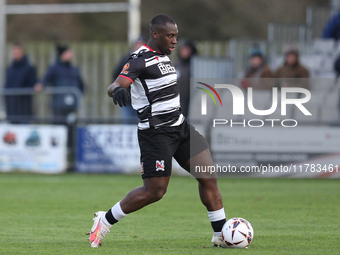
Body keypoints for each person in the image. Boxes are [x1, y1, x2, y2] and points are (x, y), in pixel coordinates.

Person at [87, 14, 227, 248]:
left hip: (181, 127)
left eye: (176, 36)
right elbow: (116, 84)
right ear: (155, 34)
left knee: (208, 176)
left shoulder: (164, 56)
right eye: (170, 36)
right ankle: (105, 219)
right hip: (156, 134)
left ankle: (221, 235)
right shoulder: (139, 59)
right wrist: (117, 91)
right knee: (154, 192)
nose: (174, 41)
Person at [35, 45, 84, 123]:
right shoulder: (54, 68)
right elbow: (45, 79)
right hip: (58, 105)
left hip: (72, 105)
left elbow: (81, 85)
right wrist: (40, 85)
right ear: (62, 54)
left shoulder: (74, 69)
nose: (71, 54)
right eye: (68, 53)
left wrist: (77, 98)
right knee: (59, 127)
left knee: (71, 127)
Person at [112, 36, 146, 124]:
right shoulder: (125, 60)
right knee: (127, 125)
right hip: (127, 100)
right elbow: (116, 77)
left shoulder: (148, 60)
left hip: (142, 101)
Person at [4, 43, 37, 123]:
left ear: (22, 53)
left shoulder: (29, 68)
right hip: (11, 109)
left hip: (24, 109)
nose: (15, 54)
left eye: (17, 52)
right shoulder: (10, 69)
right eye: (13, 52)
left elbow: (32, 85)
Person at [175, 39, 197, 117]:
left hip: (192, 98)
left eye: (187, 50)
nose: (184, 52)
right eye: (183, 50)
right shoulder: (177, 65)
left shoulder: (195, 65)